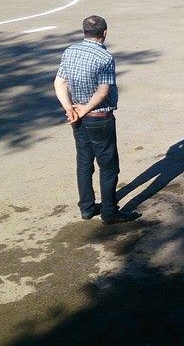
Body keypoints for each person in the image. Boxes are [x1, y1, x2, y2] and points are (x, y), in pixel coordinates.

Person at [54, 15, 140, 225]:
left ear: (84, 32)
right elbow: (103, 91)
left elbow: (59, 82)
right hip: (99, 118)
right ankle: (109, 212)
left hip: (77, 117)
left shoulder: (70, 51)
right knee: (108, 167)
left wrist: (70, 109)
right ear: (105, 33)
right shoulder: (105, 57)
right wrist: (85, 109)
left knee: (84, 162)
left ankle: (86, 207)